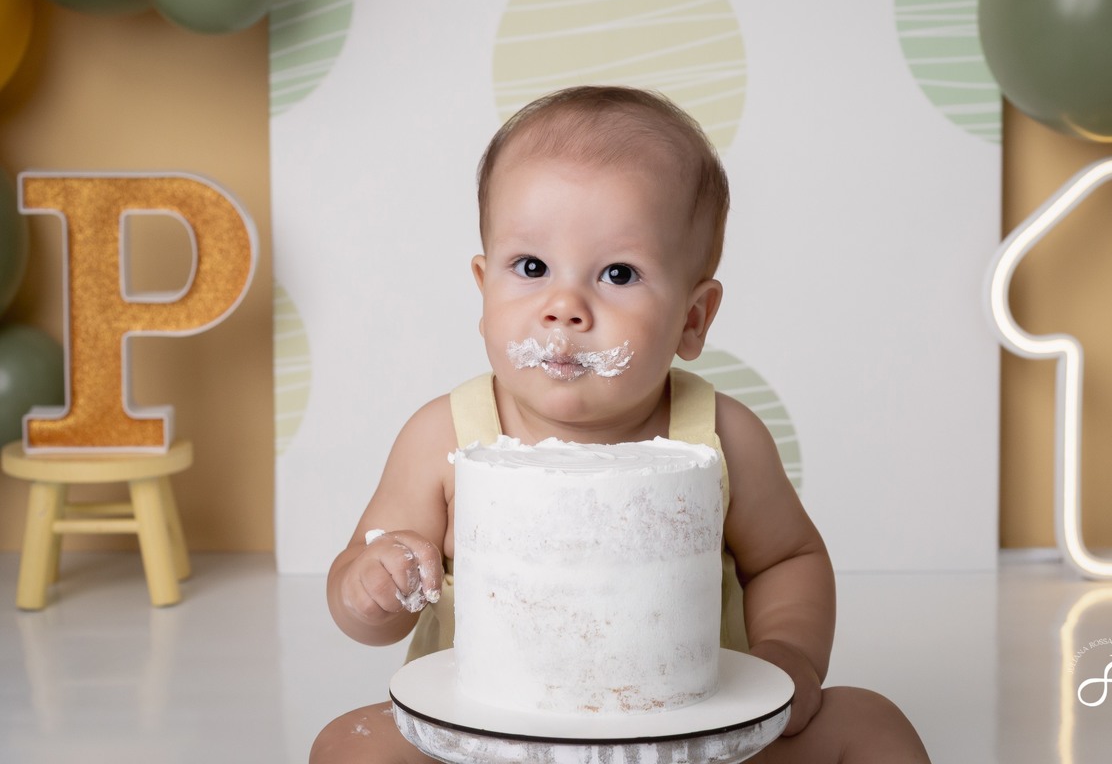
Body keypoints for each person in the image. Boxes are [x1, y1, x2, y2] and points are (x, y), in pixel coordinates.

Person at [310, 85, 931, 763]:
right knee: (350, 746)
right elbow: (364, 581)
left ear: (692, 320)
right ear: (483, 289)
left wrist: (787, 659)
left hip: (694, 739)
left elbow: (789, 558)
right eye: (531, 267)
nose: (565, 307)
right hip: (491, 744)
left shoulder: (721, 440)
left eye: (617, 272)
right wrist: (374, 586)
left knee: (872, 728)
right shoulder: (446, 437)